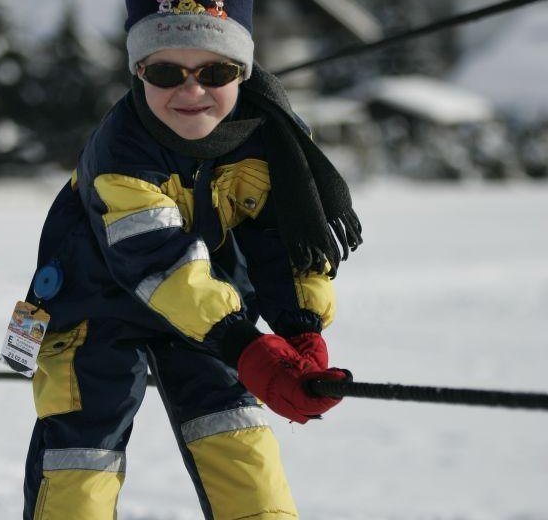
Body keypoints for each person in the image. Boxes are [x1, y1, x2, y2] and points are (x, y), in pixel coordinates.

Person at [22, 1, 362, 518]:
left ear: (243, 73)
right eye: (165, 72)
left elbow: (281, 239)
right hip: (97, 306)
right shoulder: (120, 154)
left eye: (216, 71)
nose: (191, 90)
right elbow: (156, 262)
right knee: (82, 449)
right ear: (139, 72)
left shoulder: (273, 139)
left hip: (207, 303)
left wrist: (300, 329)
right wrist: (247, 347)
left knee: (235, 433)